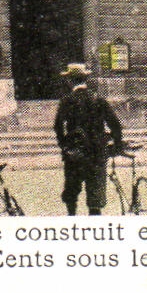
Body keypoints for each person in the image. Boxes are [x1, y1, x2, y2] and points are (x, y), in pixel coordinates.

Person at [53, 63, 125, 216]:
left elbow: (58, 126)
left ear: (70, 81)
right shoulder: (98, 100)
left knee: (71, 193)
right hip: (96, 154)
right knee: (95, 198)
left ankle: (72, 218)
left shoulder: (67, 101)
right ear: (85, 79)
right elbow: (115, 125)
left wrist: (64, 145)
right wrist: (116, 144)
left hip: (75, 154)